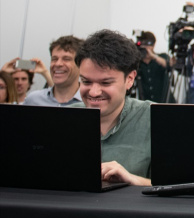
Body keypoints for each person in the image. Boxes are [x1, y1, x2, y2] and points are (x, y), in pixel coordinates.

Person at [76, 30, 152, 186]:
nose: (94, 92)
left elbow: (179, 187)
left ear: (129, 79)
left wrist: (132, 180)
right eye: (86, 82)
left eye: (105, 83)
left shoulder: (155, 119)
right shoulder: (62, 118)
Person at [23, 36, 84, 107]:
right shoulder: (33, 100)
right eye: (54, 59)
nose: (58, 64)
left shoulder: (89, 103)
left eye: (66, 59)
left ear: (81, 64)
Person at [135, 31, 170, 103]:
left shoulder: (162, 57)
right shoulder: (137, 63)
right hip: (147, 104)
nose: (145, 47)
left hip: (165, 102)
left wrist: (152, 56)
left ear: (153, 45)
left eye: (147, 44)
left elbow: (168, 65)